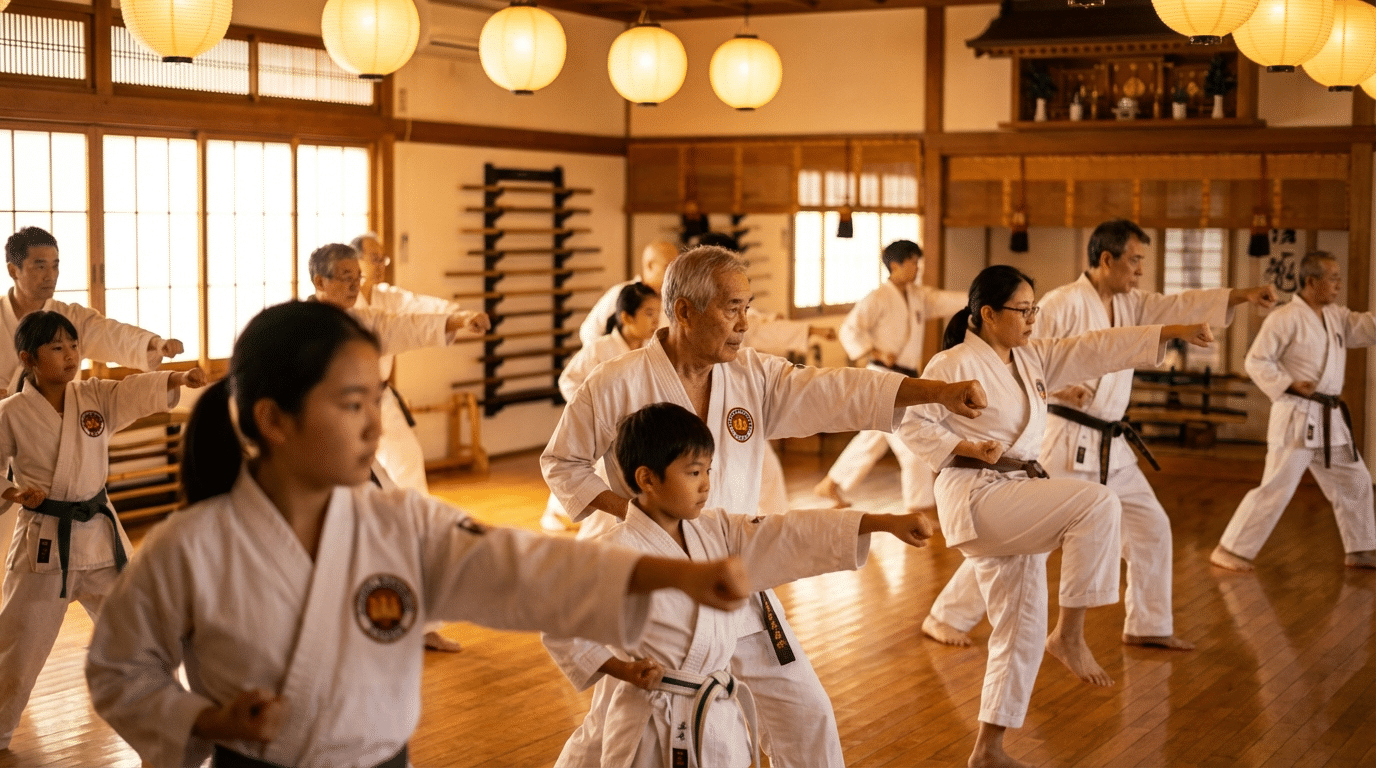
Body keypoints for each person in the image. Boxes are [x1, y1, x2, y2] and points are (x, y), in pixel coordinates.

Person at [84, 301, 752, 768]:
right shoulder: (191, 546)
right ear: (274, 420)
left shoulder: (398, 522)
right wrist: (206, 721)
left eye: (378, 400)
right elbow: (119, 670)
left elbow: (517, 566)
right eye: (352, 405)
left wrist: (679, 574)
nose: (375, 425)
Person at [542, 245, 984, 768]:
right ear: (684, 311)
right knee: (625, 724)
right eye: (732, 308)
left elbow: (837, 389)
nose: (745, 323)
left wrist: (935, 391)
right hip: (660, 586)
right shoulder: (615, 383)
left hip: (737, 567)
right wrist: (651, 523)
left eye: (747, 306)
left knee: (807, 713)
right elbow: (562, 464)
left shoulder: (752, 376)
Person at [900, 265, 1213, 768]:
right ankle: (1070, 633)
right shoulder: (952, 361)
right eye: (1022, 311)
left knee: (1020, 628)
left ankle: (988, 749)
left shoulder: (1032, 358)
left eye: (1034, 309)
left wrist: (1172, 331)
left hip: (1016, 490)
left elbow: (1099, 345)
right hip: (976, 494)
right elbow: (911, 420)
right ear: (986, 314)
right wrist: (964, 445)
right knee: (1097, 502)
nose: (1031, 319)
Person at [921, 220, 1279, 651]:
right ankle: (947, 615)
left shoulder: (1130, 303)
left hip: (1114, 443)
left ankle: (1148, 623)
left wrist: (1237, 296)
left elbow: (1160, 314)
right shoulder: (1063, 303)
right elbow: (1027, 360)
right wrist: (1058, 388)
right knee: (1021, 542)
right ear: (1106, 259)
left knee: (1150, 526)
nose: (1140, 270)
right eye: (1134, 260)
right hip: (1067, 439)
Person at [543, 402, 933, 768]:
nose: (705, 485)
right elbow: (558, 621)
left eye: (708, 472)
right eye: (693, 472)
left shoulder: (716, 530)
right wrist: (621, 669)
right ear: (647, 478)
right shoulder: (613, 553)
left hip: (718, 715)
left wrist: (879, 522)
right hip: (654, 723)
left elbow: (789, 533)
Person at [0, 311, 205, 750]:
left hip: (98, 537)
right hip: (45, 543)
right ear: (28, 358)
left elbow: (132, 390)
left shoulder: (93, 396)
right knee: (17, 651)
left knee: (138, 635)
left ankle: (162, 724)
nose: (71, 355)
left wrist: (176, 378)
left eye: (74, 345)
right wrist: (14, 491)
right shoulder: (12, 413)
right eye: (57, 348)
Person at [310, 242, 488, 653]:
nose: (356, 285)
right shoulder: (293, 327)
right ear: (320, 281)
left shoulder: (362, 320)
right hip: (315, 452)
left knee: (397, 519)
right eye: (346, 279)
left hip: (359, 433)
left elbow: (404, 324)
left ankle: (421, 624)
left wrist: (458, 319)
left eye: (358, 277)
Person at [0, 227, 187, 595]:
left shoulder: (69, 317)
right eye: (39, 266)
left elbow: (109, 333)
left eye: (55, 265)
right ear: (13, 270)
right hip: (12, 443)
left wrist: (153, 344)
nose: (50, 275)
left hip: (55, 449)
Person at [1211, 252, 1376, 572]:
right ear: (1311, 281)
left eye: (1339, 277)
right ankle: (1230, 549)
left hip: (1329, 418)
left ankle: (1362, 548)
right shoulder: (1284, 318)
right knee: (1276, 487)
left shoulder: (1336, 317)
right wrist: (1288, 383)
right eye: (1332, 277)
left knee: (1355, 479)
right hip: (1297, 414)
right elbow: (1255, 361)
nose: (1338, 284)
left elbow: (1366, 326)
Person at [815, 239, 967, 517]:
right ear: (895, 265)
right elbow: (849, 330)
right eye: (913, 262)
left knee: (874, 437)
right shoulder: (877, 298)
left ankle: (832, 483)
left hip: (903, 378)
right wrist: (872, 350)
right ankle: (919, 506)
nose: (917, 267)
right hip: (883, 375)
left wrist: (978, 298)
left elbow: (944, 300)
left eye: (918, 262)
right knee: (912, 440)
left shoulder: (918, 296)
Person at [541, 283, 662, 532]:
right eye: (648, 313)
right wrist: (590, 411)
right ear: (627, 317)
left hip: (630, 431)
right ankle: (558, 515)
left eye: (657, 313)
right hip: (599, 425)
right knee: (589, 473)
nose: (655, 321)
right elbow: (568, 379)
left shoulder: (651, 351)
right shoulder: (600, 348)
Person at [579, 241, 678, 349]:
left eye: (676, 267)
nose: (673, 273)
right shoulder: (621, 293)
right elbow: (589, 331)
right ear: (650, 265)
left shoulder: (672, 301)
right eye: (668, 266)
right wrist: (607, 359)